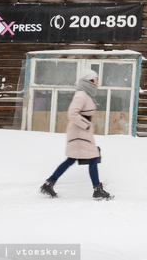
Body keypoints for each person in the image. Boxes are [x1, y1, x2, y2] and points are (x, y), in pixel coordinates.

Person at [39, 69, 113, 200]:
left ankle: (48, 184)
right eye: (95, 79)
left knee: (72, 159)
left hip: (82, 133)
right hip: (79, 132)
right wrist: (86, 125)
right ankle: (97, 190)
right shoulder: (81, 95)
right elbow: (72, 113)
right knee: (93, 158)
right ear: (89, 81)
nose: (97, 82)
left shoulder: (86, 94)